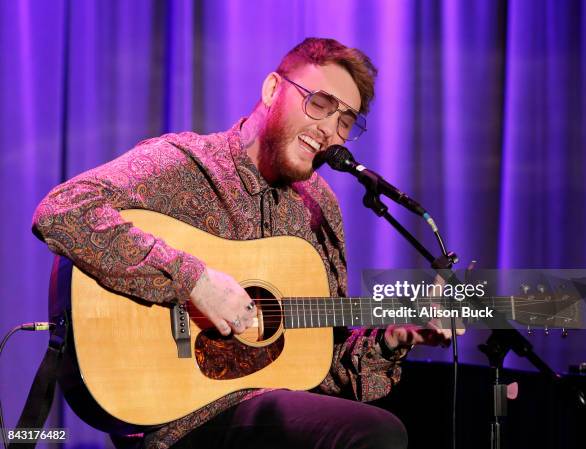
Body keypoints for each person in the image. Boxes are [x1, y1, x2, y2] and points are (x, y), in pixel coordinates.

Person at [33, 38, 453, 449]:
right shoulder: (186, 162)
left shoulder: (319, 206)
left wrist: (395, 337)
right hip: (180, 420)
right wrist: (195, 282)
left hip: (270, 410)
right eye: (320, 103)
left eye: (346, 121)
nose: (329, 129)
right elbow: (63, 210)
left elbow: (323, 366)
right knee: (378, 433)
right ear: (273, 89)